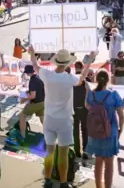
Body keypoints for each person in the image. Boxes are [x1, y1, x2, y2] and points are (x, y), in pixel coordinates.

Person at [27, 47, 96, 188]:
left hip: (49, 118)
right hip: (64, 120)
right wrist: (90, 59)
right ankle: (64, 183)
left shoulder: (47, 75)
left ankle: (47, 180)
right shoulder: (69, 78)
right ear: (67, 64)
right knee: (63, 153)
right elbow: (82, 77)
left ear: (56, 61)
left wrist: (32, 53)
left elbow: (35, 65)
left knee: (49, 152)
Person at [85, 69, 124, 188]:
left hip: (95, 131)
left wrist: (88, 92)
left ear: (96, 80)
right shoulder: (113, 95)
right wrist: (120, 131)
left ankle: (98, 186)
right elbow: (121, 116)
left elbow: (87, 106)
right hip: (110, 131)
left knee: (98, 161)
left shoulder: (91, 94)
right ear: (108, 81)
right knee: (109, 163)